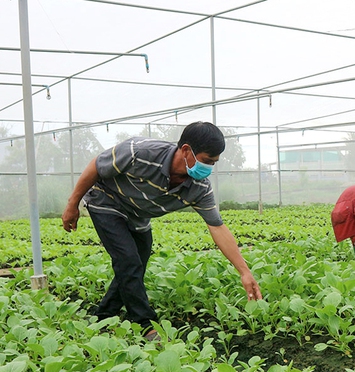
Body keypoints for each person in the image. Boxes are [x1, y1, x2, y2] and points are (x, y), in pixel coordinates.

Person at [61, 121, 262, 341]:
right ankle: (144, 324)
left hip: (138, 215)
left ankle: (103, 316)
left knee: (136, 264)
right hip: (107, 202)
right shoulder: (139, 152)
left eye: (214, 163)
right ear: (186, 150)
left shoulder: (199, 187)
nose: (209, 168)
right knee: (128, 261)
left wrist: (244, 271)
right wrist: (73, 204)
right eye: (206, 161)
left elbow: (217, 226)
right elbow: (96, 167)